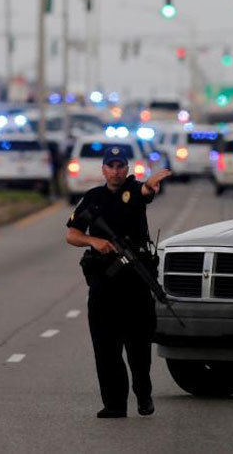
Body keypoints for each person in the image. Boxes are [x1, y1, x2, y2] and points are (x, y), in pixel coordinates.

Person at [66, 146, 172, 419]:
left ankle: (143, 392)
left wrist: (150, 184)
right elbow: (72, 234)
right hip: (103, 282)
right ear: (103, 169)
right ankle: (114, 404)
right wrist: (93, 241)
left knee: (138, 346)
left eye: (120, 166)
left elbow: (145, 192)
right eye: (110, 166)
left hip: (135, 282)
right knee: (105, 347)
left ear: (127, 168)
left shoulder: (134, 190)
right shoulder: (93, 197)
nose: (115, 171)